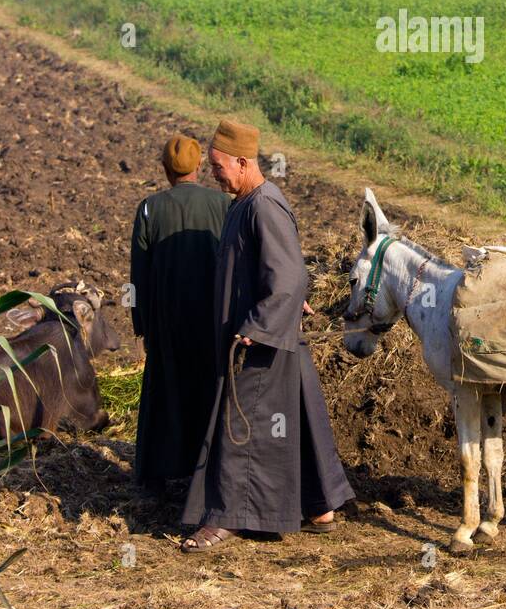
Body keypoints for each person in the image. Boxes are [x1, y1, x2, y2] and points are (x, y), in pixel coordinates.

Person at [181, 118, 353, 552]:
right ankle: (319, 507)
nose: (213, 173)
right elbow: (279, 272)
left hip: (257, 343)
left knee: (243, 426)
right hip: (269, 334)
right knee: (290, 421)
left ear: (242, 162)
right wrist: (289, 302)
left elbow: (289, 275)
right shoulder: (245, 201)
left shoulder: (264, 204)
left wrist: (259, 324)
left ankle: (228, 518)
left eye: (219, 166)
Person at [130, 133, 231, 494]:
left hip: (167, 321)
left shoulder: (149, 208)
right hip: (211, 319)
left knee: (165, 389)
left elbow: (138, 274)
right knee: (208, 389)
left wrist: (141, 321)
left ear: (164, 169)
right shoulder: (222, 203)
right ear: (200, 166)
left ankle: (157, 472)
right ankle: (205, 469)